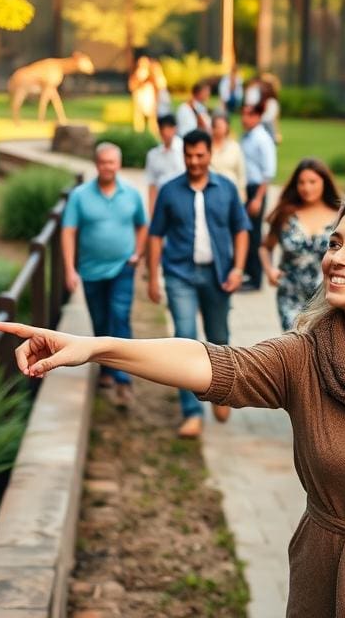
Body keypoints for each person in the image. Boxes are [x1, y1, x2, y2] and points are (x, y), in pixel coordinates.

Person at [0, 198, 345, 618]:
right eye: (335, 243)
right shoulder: (303, 357)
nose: (336, 258)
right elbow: (212, 363)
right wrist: (96, 347)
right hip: (324, 575)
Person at [146, 129, 250, 438]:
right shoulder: (169, 191)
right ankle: (192, 412)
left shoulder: (227, 189)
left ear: (209, 155)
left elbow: (241, 230)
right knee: (185, 339)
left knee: (219, 337)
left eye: (199, 155)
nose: (194, 161)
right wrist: (153, 276)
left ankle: (221, 393)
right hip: (180, 274)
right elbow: (155, 235)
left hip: (217, 274)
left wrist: (238, 268)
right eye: (189, 155)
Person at [61, 142, 147, 407]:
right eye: (103, 162)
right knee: (100, 321)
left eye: (112, 162)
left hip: (122, 267)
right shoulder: (80, 195)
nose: (107, 167)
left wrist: (138, 254)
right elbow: (68, 231)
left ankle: (123, 381)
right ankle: (107, 370)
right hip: (90, 270)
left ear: (118, 164)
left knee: (120, 317)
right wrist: (69, 269)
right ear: (96, 164)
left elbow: (142, 226)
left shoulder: (131, 194)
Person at [259, 159, 341, 330]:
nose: (306, 188)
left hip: (326, 297)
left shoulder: (340, 217)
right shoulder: (286, 214)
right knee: (294, 345)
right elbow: (265, 247)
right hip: (290, 294)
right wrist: (269, 270)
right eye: (301, 182)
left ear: (324, 183)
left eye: (312, 182)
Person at [239, 101, 277, 290]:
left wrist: (258, 198)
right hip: (246, 188)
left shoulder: (262, 139)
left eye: (248, 114)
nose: (244, 118)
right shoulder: (246, 136)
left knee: (254, 234)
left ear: (257, 117)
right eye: (243, 114)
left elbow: (268, 172)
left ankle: (255, 279)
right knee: (245, 231)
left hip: (256, 190)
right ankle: (248, 272)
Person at [144, 113, 184, 218]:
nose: (166, 133)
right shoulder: (153, 155)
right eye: (163, 130)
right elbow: (151, 184)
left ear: (174, 129)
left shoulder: (184, 151)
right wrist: (151, 212)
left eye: (168, 129)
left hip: (181, 200)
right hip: (161, 202)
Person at [209, 111, 247, 201]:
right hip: (211, 194)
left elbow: (241, 172)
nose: (220, 129)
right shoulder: (206, 146)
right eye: (217, 126)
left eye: (222, 126)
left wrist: (242, 193)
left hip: (231, 194)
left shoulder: (234, 147)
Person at [129, 56, 157, 136]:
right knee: (139, 119)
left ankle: (153, 134)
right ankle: (139, 134)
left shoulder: (151, 74)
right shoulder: (136, 74)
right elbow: (132, 86)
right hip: (140, 98)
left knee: (152, 119)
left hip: (149, 98)